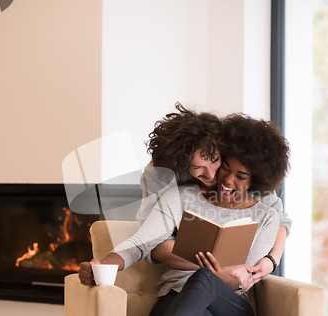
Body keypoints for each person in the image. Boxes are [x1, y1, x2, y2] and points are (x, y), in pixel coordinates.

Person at [99, 114, 291, 316]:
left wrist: (269, 260)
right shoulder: (178, 196)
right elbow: (143, 242)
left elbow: (241, 281)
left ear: (257, 180)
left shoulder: (265, 215)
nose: (222, 178)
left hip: (231, 305)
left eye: (241, 175)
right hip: (172, 300)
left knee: (206, 277)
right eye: (225, 168)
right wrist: (104, 263)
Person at [78, 103, 291, 285]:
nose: (213, 174)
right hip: (182, 277)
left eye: (216, 160)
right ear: (180, 165)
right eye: (197, 167)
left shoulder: (237, 167)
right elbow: (151, 243)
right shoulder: (160, 178)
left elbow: (278, 218)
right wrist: (218, 265)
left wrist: (271, 260)